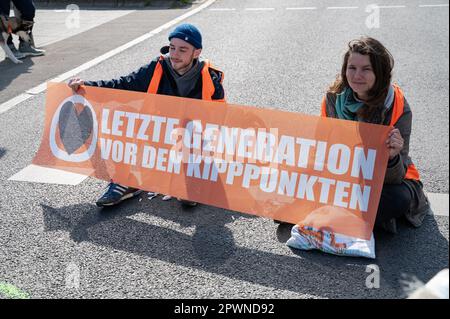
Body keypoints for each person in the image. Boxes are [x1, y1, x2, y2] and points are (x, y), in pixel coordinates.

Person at [68, 23, 225, 208]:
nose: (175, 54)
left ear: (196, 52)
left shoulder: (210, 78)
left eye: (183, 50)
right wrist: (86, 86)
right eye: (172, 48)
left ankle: (192, 180)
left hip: (192, 140)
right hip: (159, 134)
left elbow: (221, 121)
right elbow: (122, 85)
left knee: (188, 195)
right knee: (123, 115)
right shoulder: (157, 67)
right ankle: (126, 181)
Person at [321, 36, 430, 233]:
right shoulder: (332, 98)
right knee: (291, 182)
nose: (357, 75)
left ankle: (334, 214)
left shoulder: (396, 106)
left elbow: (396, 177)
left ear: (379, 73)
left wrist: (392, 157)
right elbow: (322, 148)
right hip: (344, 175)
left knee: (398, 199)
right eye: (352, 68)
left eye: (366, 69)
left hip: (382, 181)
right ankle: (350, 216)